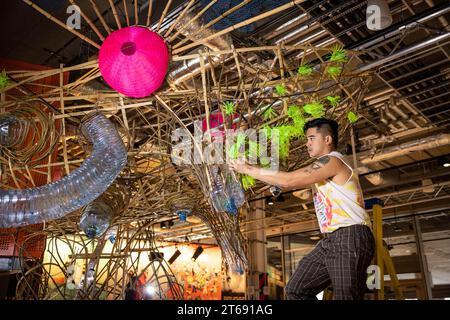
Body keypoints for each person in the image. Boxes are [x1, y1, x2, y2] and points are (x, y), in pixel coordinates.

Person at [229, 118, 374, 300]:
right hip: (332, 239)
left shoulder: (333, 161)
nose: (307, 143)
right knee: (297, 290)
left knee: (346, 296)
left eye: (312, 138)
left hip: (350, 234)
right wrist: (276, 180)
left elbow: (289, 180)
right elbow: (287, 181)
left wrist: (248, 169)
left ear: (327, 139)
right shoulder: (324, 168)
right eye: (307, 139)